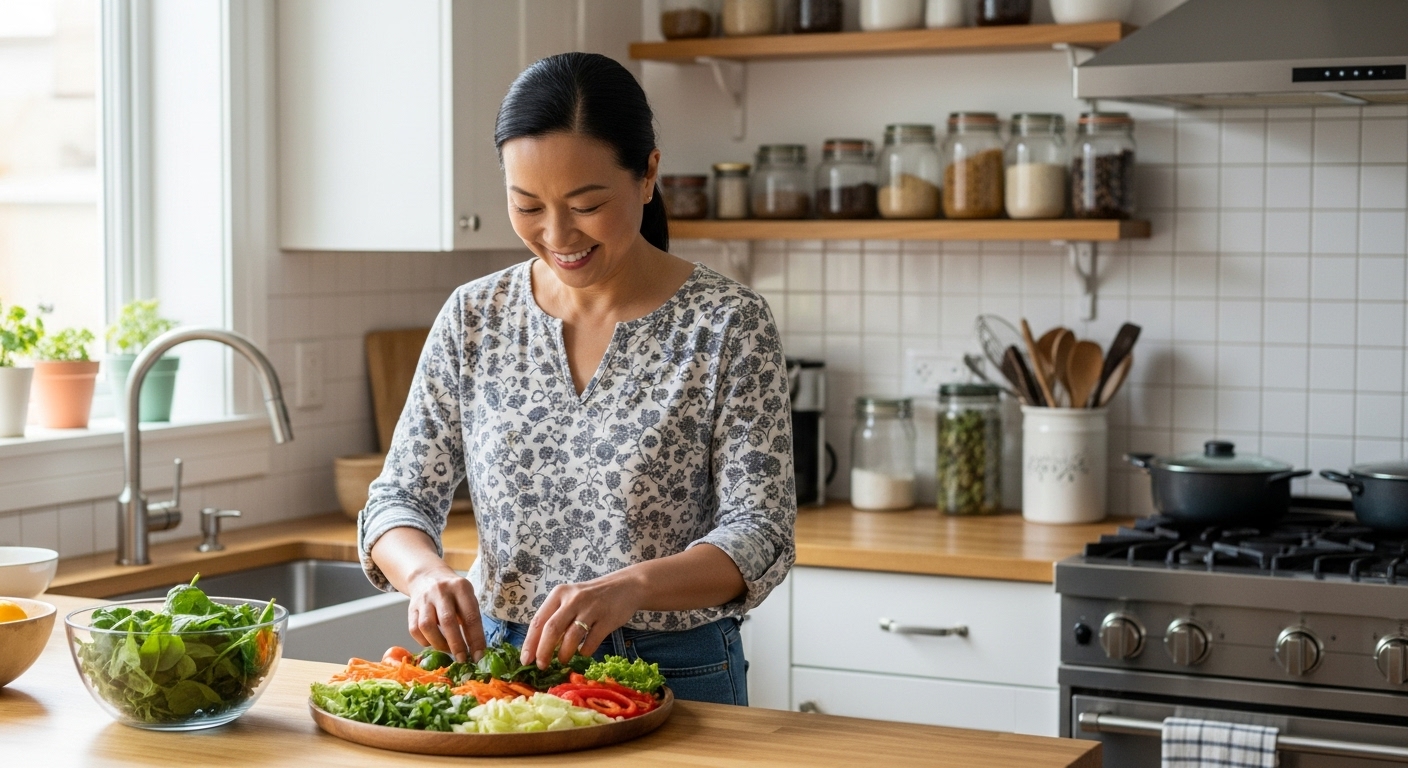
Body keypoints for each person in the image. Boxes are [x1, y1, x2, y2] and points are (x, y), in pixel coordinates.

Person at [357, 52, 795, 706]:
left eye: (586, 205)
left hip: (676, 672)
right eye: (527, 205)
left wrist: (631, 589)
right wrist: (423, 577)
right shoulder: (476, 317)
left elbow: (759, 534)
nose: (557, 235)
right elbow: (394, 502)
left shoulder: (726, 324)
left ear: (647, 174)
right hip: (502, 675)